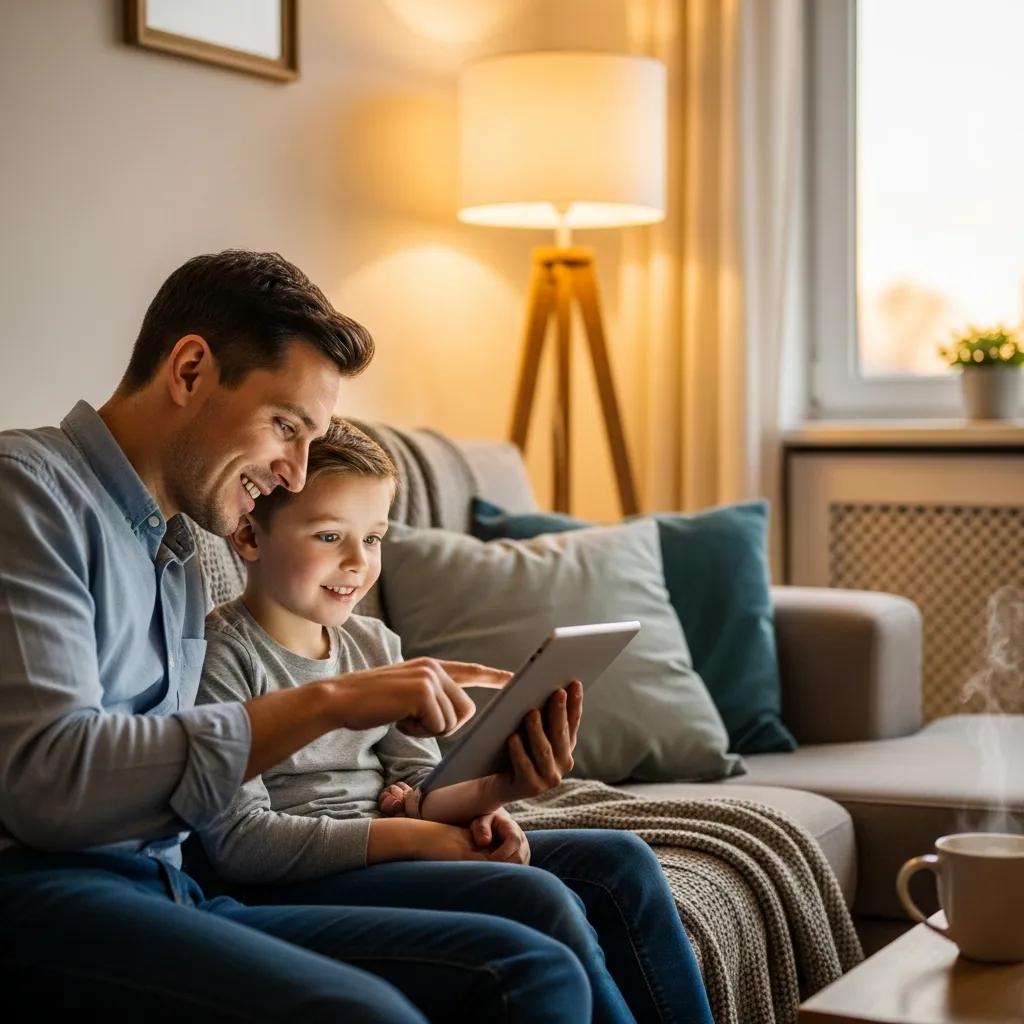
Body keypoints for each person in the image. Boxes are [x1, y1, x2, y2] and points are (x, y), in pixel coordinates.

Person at [0, 250, 594, 1023]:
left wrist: (477, 790)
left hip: (168, 884)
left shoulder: (174, 552)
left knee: (531, 955)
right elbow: (50, 782)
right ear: (189, 371)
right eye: (286, 427)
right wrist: (334, 701)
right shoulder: (28, 493)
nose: (292, 473)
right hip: (44, 895)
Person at [194, 418, 715, 1024]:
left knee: (622, 860)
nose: (358, 563)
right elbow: (239, 843)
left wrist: (497, 795)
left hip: (392, 848)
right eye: (331, 536)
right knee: (536, 895)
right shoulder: (221, 655)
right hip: (301, 878)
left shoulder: (374, 643)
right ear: (248, 535)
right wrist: (419, 838)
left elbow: (418, 792)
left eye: (375, 537)